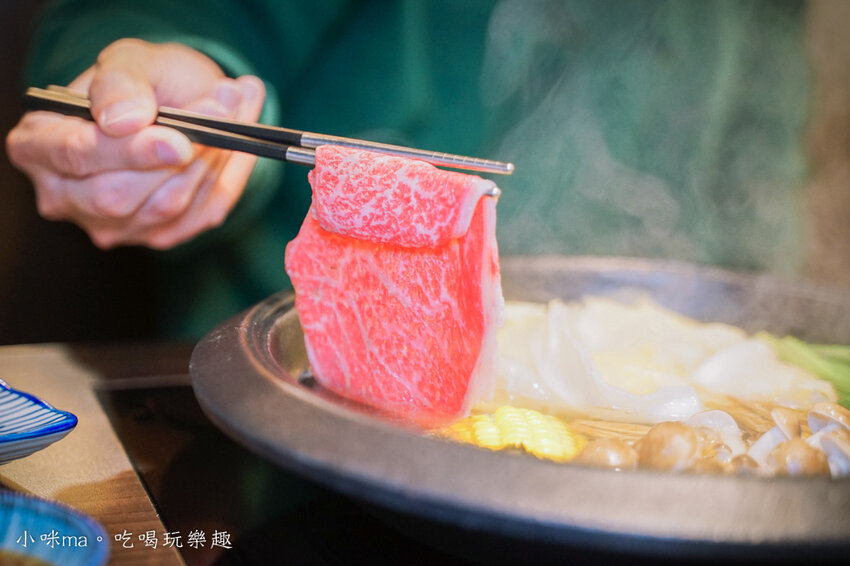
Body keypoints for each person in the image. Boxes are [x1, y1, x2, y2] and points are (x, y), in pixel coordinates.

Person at [6, 0, 823, 339]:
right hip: (304, 387)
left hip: (697, 326)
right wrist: (189, 104)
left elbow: (757, 106)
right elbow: (180, 17)